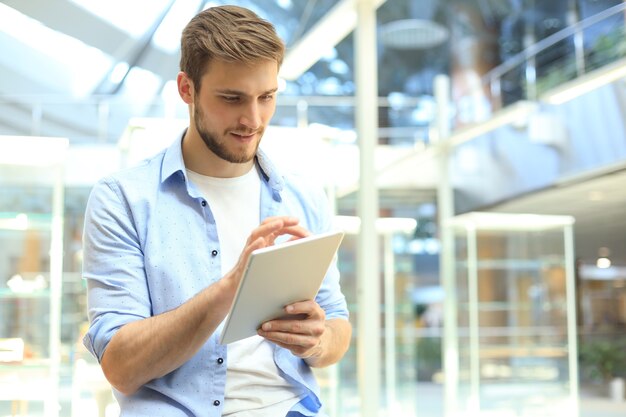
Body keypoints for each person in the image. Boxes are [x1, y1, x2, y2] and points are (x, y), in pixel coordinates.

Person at [81, 5, 352, 417]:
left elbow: (338, 326)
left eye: (267, 97)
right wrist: (229, 290)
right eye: (232, 99)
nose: (253, 119)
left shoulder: (303, 196)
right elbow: (120, 366)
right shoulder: (122, 200)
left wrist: (316, 340)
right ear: (186, 89)